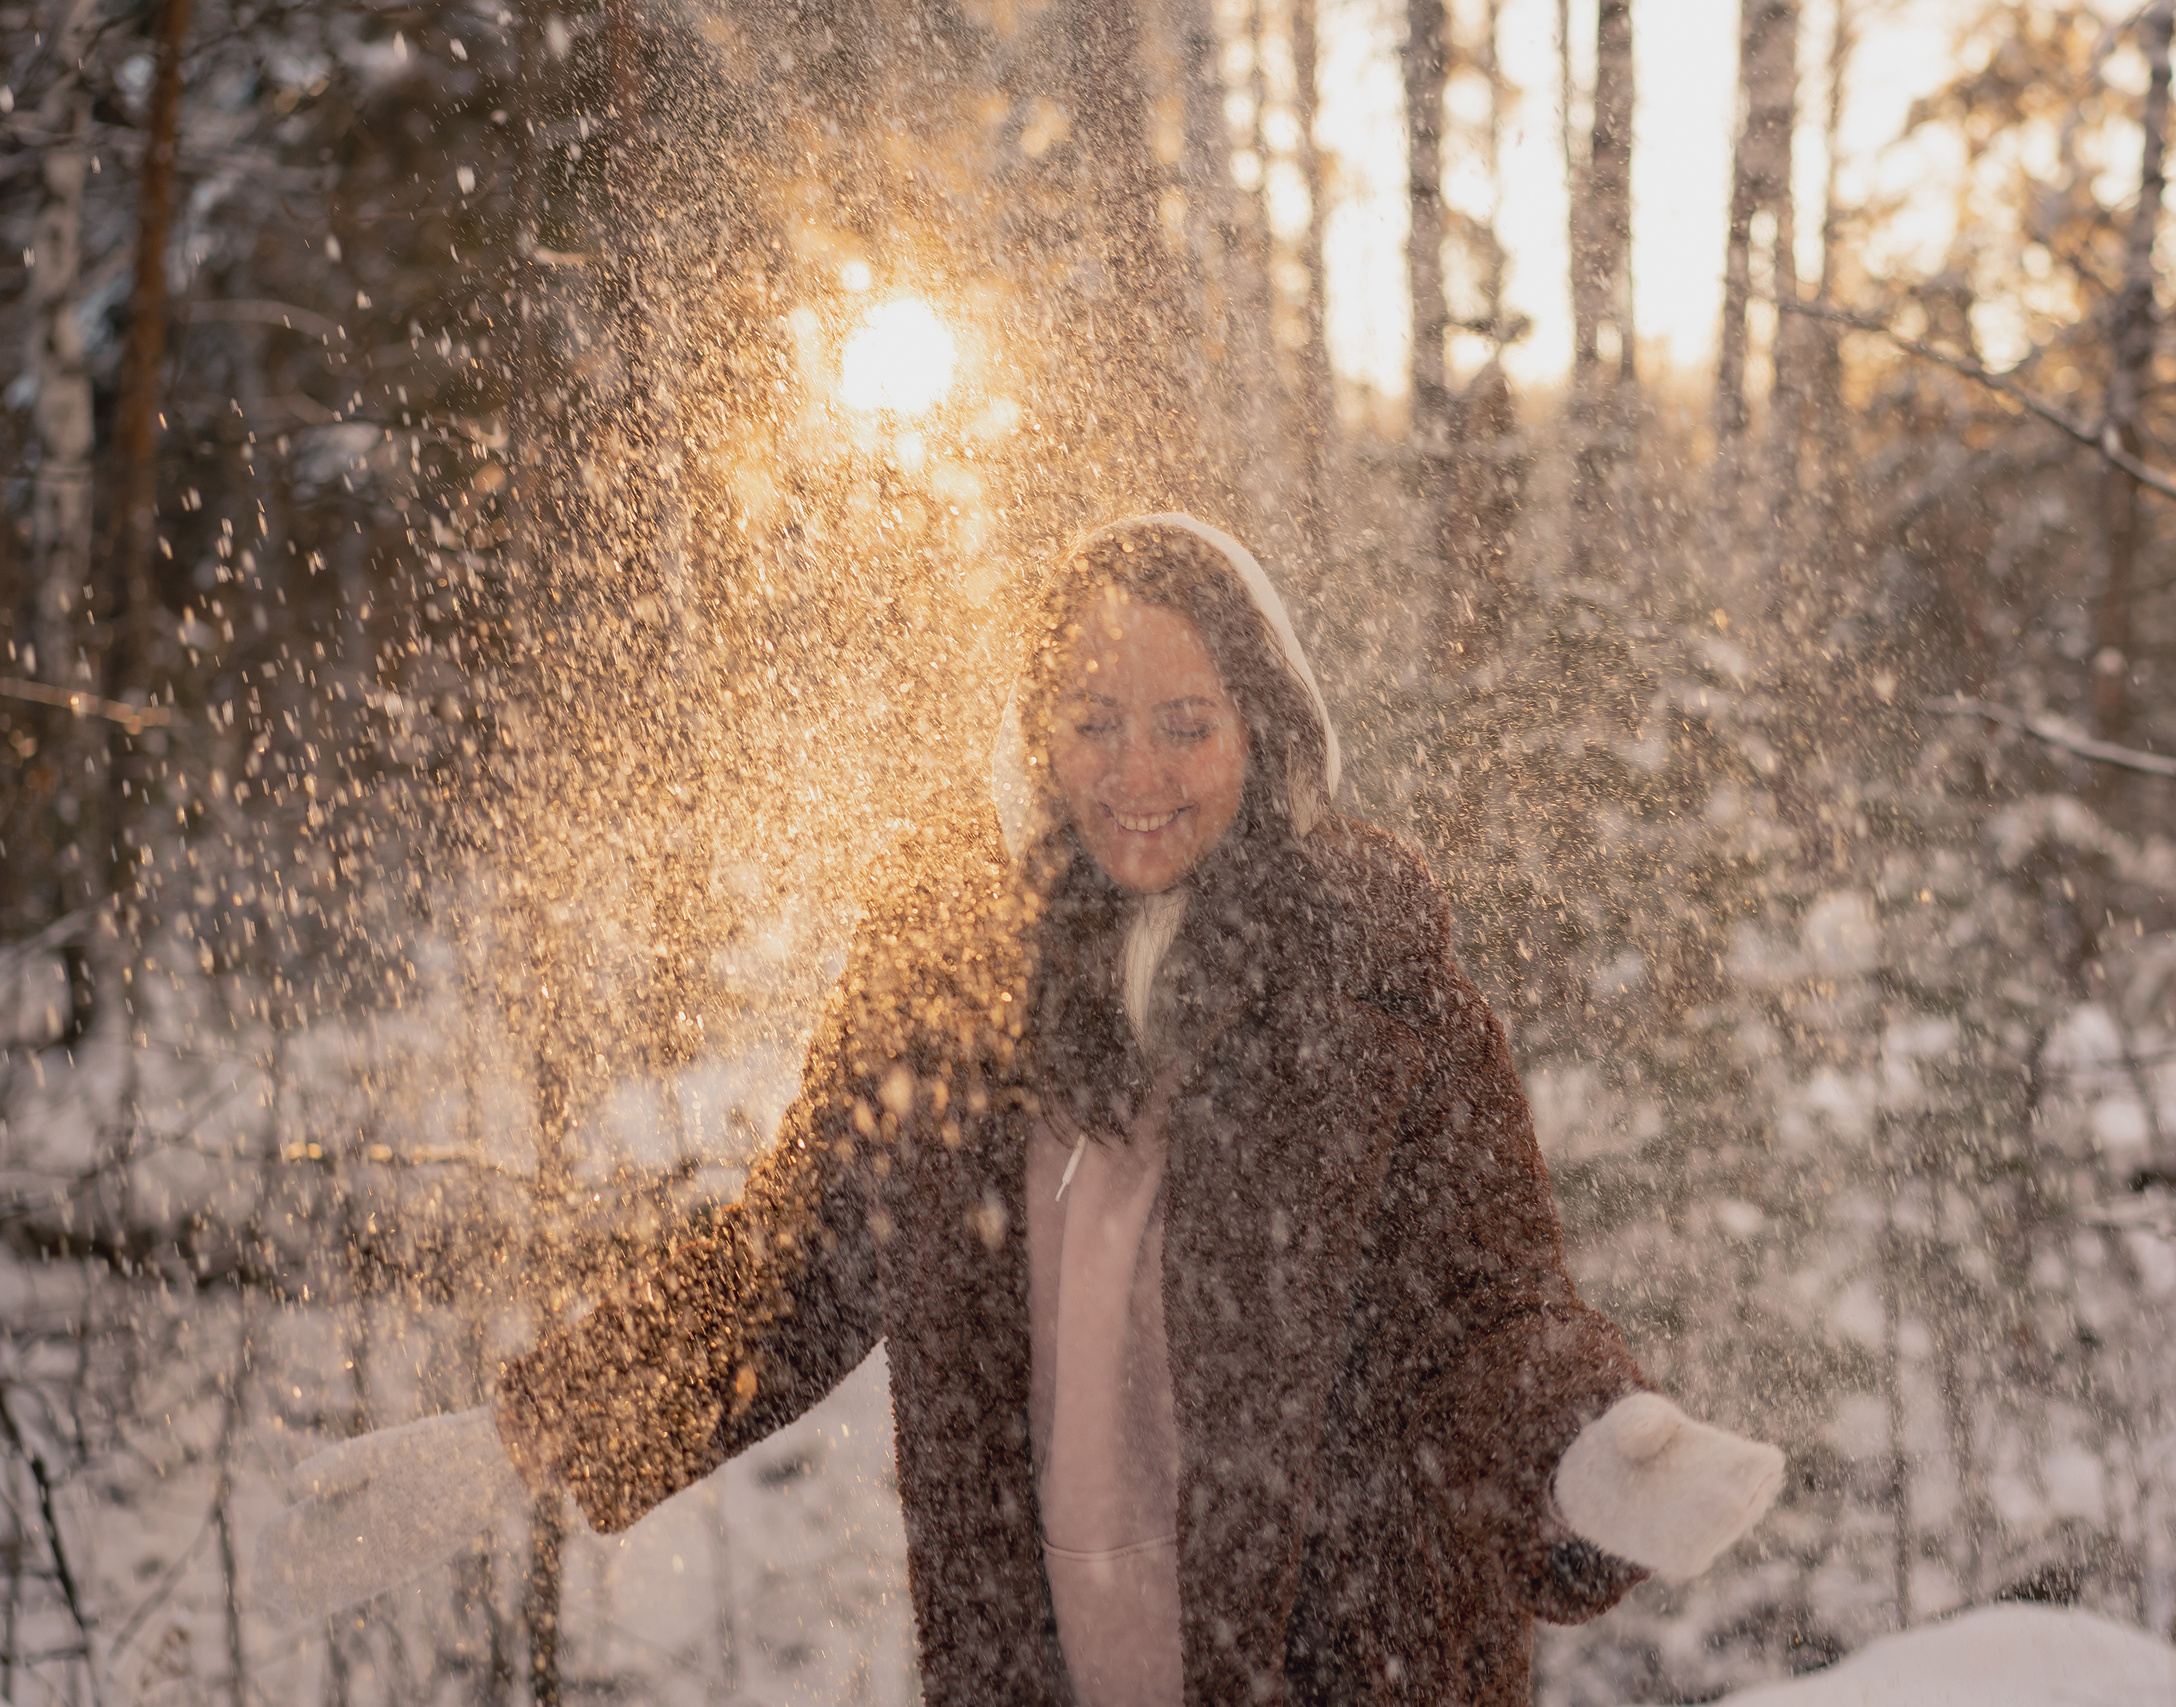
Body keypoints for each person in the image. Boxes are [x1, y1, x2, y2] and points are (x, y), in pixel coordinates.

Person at [265, 515, 1784, 1704]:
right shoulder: (944, 981)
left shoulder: (1377, 988)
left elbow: (1485, 1311)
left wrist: (1595, 1443)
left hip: (1349, 1660)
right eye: (1092, 720)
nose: (1138, 773)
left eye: (1186, 721)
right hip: (1039, 1658)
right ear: (1033, 737)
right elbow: (788, 1272)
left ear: (1264, 730)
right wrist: (521, 1440)